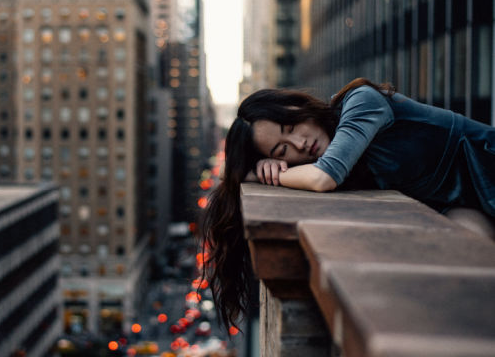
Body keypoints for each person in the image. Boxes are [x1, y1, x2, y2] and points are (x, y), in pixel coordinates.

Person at [199, 77, 495, 331]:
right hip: (463, 203)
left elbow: (324, 177)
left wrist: (263, 175)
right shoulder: (345, 161)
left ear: (298, 105)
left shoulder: (361, 102)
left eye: (291, 126)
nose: (300, 144)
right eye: (282, 150)